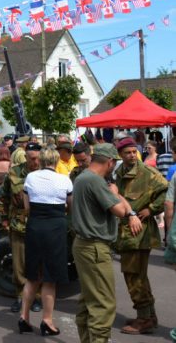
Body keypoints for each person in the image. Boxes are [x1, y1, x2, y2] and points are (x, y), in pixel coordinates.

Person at [72, 143, 142, 343]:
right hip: (94, 247)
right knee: (103, 303)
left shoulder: (84, 178)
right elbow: (120, 211)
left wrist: (123, 204)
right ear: (110, 162)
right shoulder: (94, 181)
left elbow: (123, 209)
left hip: (85, 245)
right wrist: (115, 192)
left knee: (89, 300)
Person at [114, 136, 168, 334]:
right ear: (120, 154)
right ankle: (149, 315)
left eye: (134, 152)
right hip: (126, 231)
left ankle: (144, 318)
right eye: (127, 153)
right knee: (138, 277)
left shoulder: (146, 172)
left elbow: (165, 190)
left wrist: (151, 209)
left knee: (134, 276)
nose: (132, 156)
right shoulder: (119, 172)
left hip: (139, 233)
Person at [18, 148, 73, 336]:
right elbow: (70, 206)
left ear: (40, 160)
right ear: (56, 161)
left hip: (35, 226)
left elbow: (27, 206)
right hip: (55, 228)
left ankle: (23, 317)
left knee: (32, 275)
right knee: (50, 278)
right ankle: (47, 320)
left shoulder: (30, 178)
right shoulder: (64, 179)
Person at [0, 142, 42, 313]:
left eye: (38, 159)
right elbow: (3, 198)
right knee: (18, 266)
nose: (36, 162)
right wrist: (4, 219)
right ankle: (20, 297)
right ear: (26, 157)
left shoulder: (47, 174)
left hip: (39, 226)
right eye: (32, 159)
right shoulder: (13, 173)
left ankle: (36, 298)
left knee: (37, 265)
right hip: (18, 226)